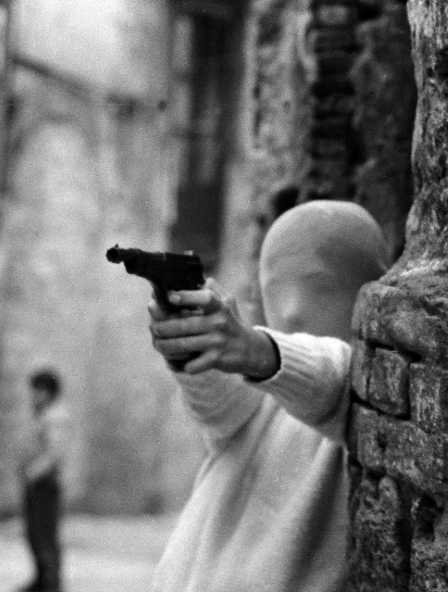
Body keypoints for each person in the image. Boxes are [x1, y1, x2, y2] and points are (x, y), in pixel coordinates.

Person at [147, 201, 389, 591]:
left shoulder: (373, 393)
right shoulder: (264, 390)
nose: (291, 311)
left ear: (372, 291)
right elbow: (221, 402)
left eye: (320, 286)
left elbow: (332, 376)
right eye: (275, 288)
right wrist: (192, 348)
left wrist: (257, 350)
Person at [19, 368, 70, 592]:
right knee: (34, 534)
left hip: (45, 485)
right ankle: (41, 580)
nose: (33, 396)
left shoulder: (55, 416)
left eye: (37, 391)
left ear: (48, 392)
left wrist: (33, 473)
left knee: (45, 536)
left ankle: (51, 584)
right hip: (36, 483)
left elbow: (54, 454)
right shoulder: (43, 414)